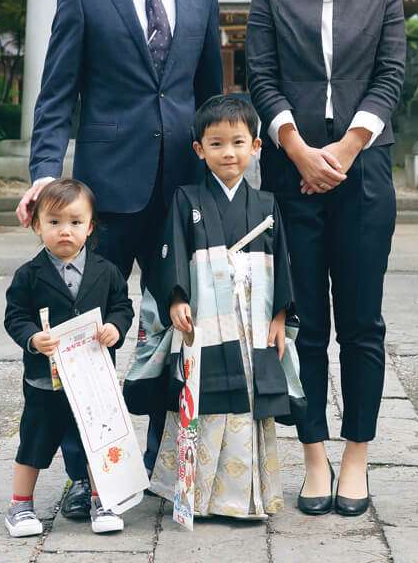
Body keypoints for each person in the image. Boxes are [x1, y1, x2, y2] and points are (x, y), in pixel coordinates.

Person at [15, 0, 223, 519]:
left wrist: (225, 185)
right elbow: (56, 99)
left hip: (181, 195)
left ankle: (165, 467)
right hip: (103, 197)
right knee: (86, 339)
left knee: (174, 331)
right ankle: (88, 474)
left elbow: (212, 103)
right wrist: (48, 181)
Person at [246, 0, 406, 517]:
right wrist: (299, 151)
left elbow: (392, 75)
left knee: (362, 324)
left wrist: (342, 152)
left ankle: (356, 456)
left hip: (363, 179)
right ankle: (313, 455)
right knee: (304, 324)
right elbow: (260, 76)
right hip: (291, 180)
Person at [124, 95, 306, 520]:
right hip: (205, 317)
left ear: (256, 147)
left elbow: (282, 261)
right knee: (200, 393)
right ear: (199, 149)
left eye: (239, 142)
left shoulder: (266, 205)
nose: (229, 153)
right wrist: (177, 298)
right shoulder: (186, 200)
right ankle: (195, 494)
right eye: (217, 143)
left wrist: (281, 316)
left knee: (247, 394)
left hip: (252, 318)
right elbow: (171, 254)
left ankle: (245, 498)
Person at [3, 178, 134, 537]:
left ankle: (101, 498)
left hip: (92, 376)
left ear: (90, 227)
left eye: (75, 223)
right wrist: (32, 338)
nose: (65, 232)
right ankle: (20, 505)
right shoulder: (29, 275)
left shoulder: (106, 271)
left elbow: (123, 307)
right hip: (46, 380)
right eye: (55, 222)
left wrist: (115, 328)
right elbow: (15, 316)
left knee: (96, 439)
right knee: (35, 440)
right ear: (37, 225)